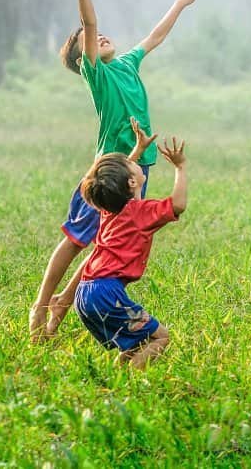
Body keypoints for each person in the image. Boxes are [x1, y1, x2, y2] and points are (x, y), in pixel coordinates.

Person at [29, 0, 198, 340]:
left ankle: (57, 317)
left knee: (106, 246)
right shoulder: (98, 75)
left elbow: (155, 36)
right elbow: (88, 23)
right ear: (81, 59)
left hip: (139, 167)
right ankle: (40, 309)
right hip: (108, 170)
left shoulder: (126, 63)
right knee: (75, 240)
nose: (99, 36)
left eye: (101, 35)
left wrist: (180, 2)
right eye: (87, 40)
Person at [75, 128, 187, 368]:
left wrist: (138, 150)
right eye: (132, 165)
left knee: (135, 342)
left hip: (84, 293)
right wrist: (180, 167)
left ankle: (117, 376)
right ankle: (130, 382)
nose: (133, 163)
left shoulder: (109, 209)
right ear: (132, 181)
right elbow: (178, 204)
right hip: (106, 294)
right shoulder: (140, 213)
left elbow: (115, 181)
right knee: (160, 337)